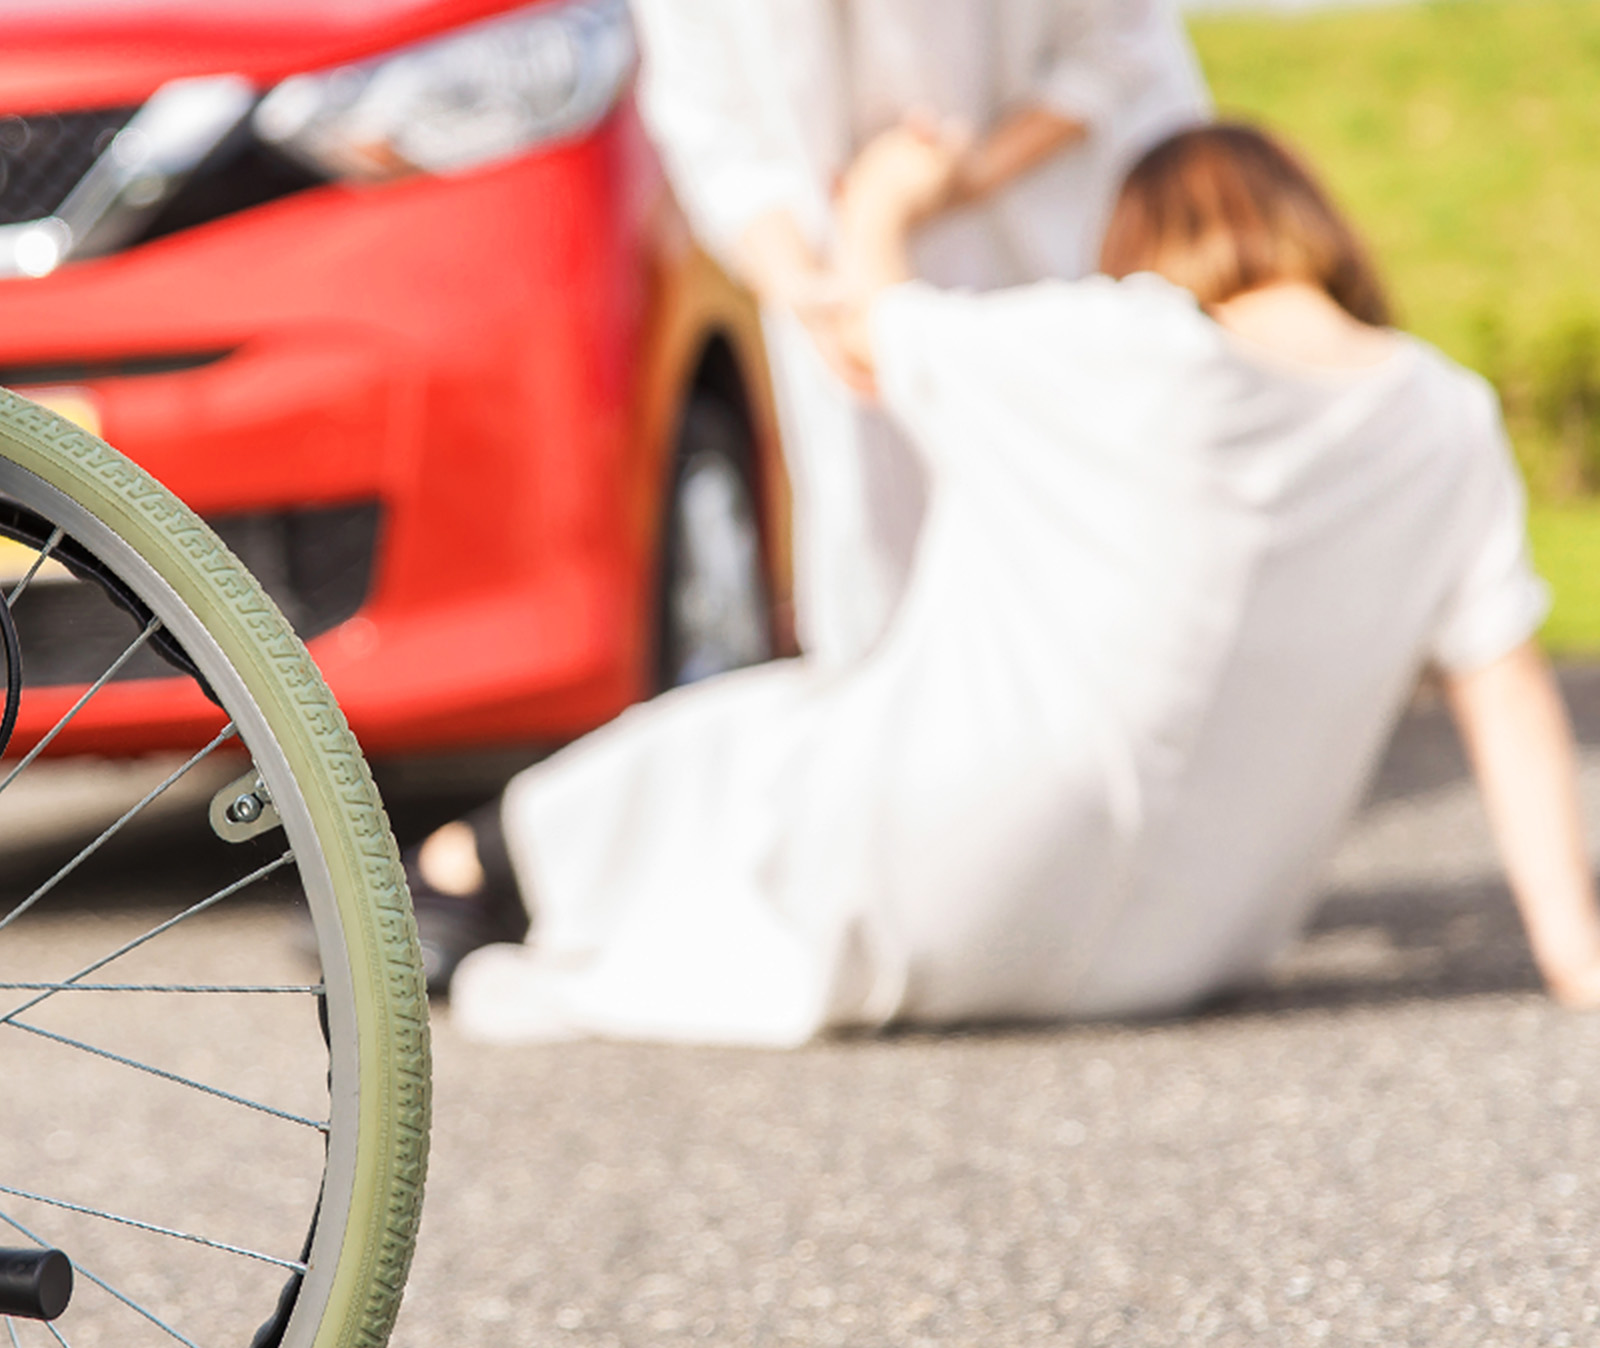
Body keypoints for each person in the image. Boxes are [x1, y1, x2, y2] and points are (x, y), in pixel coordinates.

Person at [408, 122, 1600, 1040]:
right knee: (783, 767)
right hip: (1186, 956)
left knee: (761, 734)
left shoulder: (1130, 343)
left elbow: (868, 337)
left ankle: (461, 875)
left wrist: (884, 200)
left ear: (1157, 246)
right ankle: (491, 887)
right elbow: (1505, 698)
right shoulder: (1445, 416)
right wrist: (1572, 948)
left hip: (950, 883)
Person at [625, 0, 1210, 665]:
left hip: (1030, 260)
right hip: (838, 291)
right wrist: (804, 283)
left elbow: (1120, 44)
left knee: (1065, 540)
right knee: (885, 562)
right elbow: (713, 136)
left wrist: (966, 174)